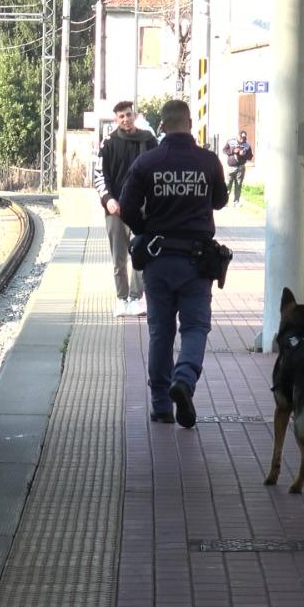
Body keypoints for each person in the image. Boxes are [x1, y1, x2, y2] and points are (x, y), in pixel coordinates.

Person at [117, 99, 229, 428]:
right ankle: (185, 379)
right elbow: (220, 201)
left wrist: (146, 230)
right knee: (195, 327)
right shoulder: (208, 161)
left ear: (162, 126)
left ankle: (161, 404)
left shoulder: (147, 162)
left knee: (160, 332)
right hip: (197, 262)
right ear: (191, 124)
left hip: (158, 259)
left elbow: (126, 208)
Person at [93, 101, 158, 317]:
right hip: (116, 209)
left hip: (142, 210)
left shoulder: (149, 141)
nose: (125, 119)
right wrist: (108, 199)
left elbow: (158, 173)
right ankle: (121, 299)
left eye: (128, 115)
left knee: (141, 253)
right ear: (116, 119)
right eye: (121, 116)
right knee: (118, 257)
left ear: (135, 115)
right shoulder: (108, 143)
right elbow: (100, 175)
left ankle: (136, 298)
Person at [222, 130, 254, 204]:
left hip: (241, 167)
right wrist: (233, 151)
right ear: (238, 136)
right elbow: (224, 150)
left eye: (244, 138)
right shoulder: (230, 142)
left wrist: (244, 154)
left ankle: (236, 201)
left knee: (238, 185)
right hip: (231, 167)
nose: (243, 139)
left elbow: (250, 156)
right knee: (228, 184)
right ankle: (225, 201)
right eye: (241, 137)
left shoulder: (247, 145)